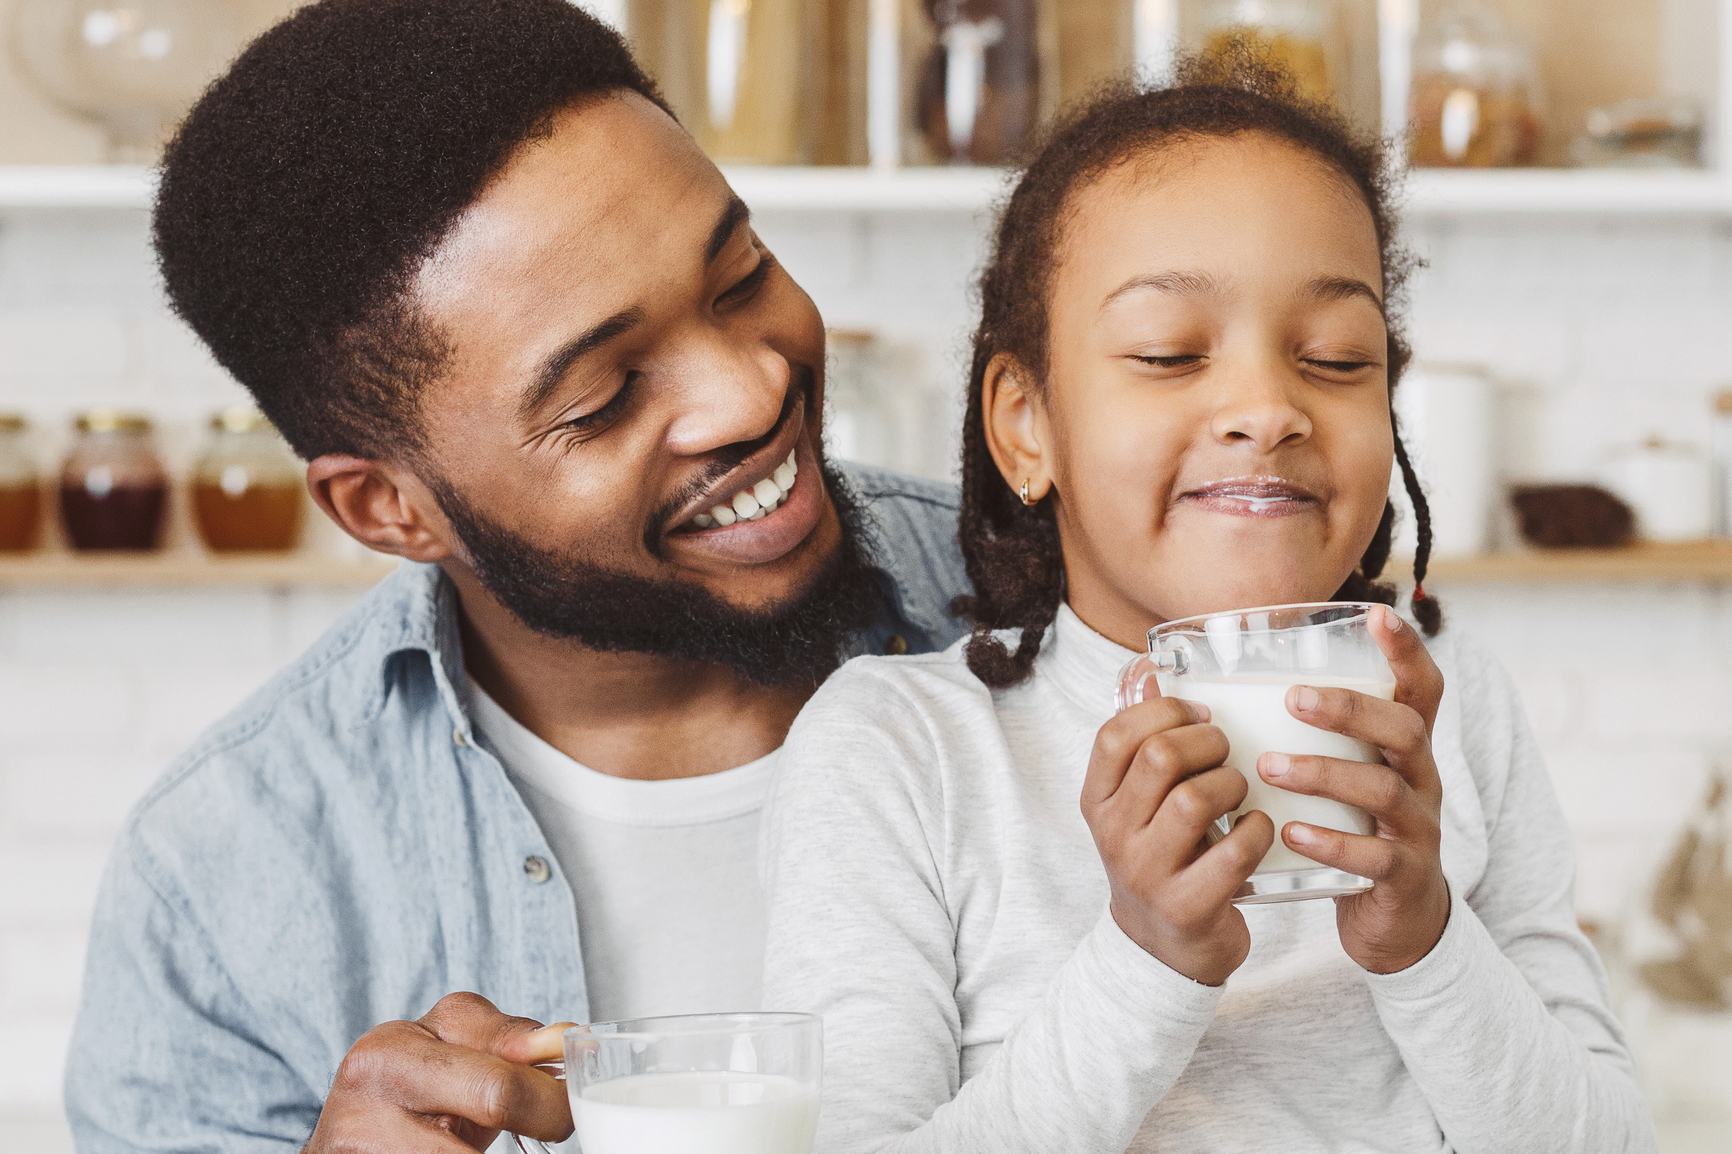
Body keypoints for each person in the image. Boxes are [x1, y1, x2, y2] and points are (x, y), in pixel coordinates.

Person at [63, 1, 970, 1150]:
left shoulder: (1078, 609)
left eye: (739, 275)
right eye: (601, 398)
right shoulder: (222, 882)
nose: (749, 392)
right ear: (389, 508)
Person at [760, 58, 1660, 1154]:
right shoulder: (901, 749)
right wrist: (1144, 958)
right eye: (1167, 352)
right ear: (1024, 425)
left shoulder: (1451, 703)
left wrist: (1425, 939)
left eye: (1336, 357)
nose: (1267, 408)